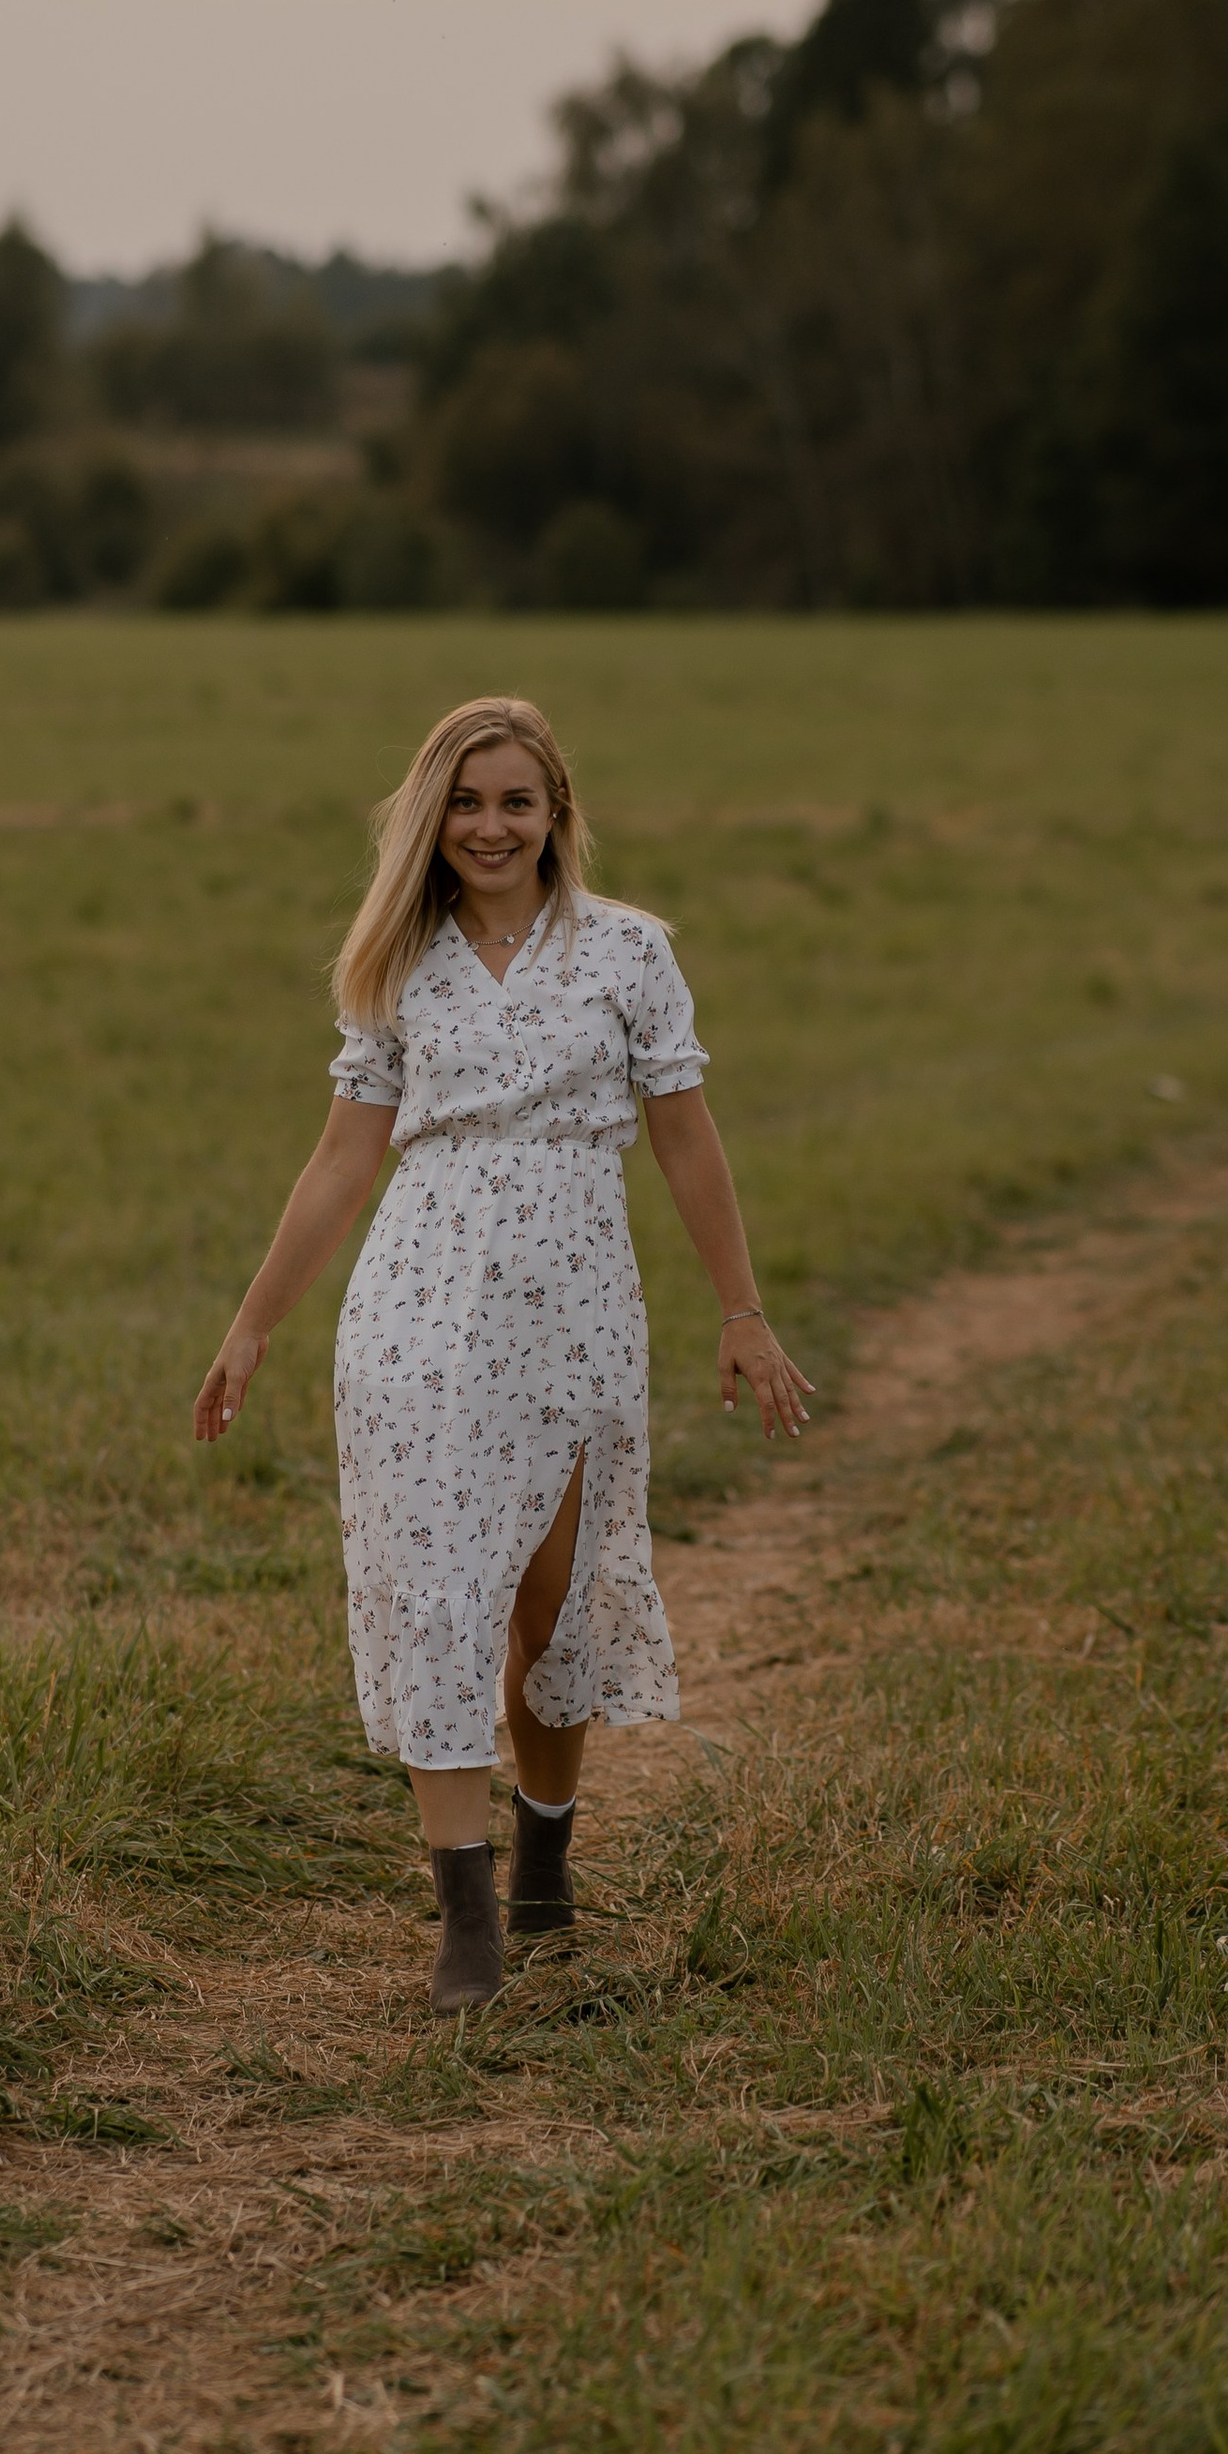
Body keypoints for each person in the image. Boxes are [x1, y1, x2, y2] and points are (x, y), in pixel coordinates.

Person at [193, 696, 812, 2012]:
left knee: (551, 1608)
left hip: (578, 1308)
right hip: (416, 1313)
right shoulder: (397, 967)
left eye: (514, 801)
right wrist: (253, 1324)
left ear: (557, 816)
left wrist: (741, 1308)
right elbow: (341, 1160)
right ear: (434, 818)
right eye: (465, 802)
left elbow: (688, 1139)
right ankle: (464, 1915)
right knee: (442, 1599)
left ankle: (545, 1873)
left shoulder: (631, 955)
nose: (489, 825)